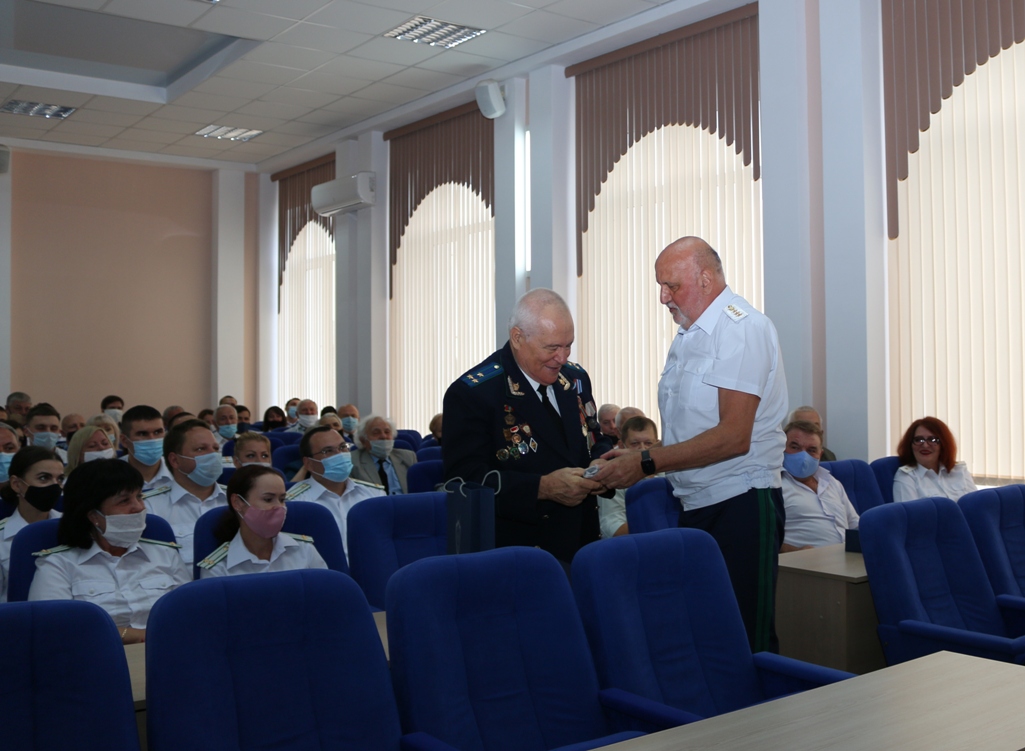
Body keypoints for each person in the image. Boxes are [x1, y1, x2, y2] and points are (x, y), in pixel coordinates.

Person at [596, 237, 788, 652]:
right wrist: (636, 455)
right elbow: (690, 429)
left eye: (671, 286)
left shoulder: (741, 329)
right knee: (706, 636)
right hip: (696, 502)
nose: (663, 297)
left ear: (705, 279)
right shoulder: (689, 335)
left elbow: (733, 437)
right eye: (660, 286)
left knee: (745, 640)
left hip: (741, 502)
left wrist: (647, 462)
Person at [443, 288, 608, 564]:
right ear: (518, 338)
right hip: (519, 553)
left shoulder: (575, 379)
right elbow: (464, 481)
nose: (562, 358)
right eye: (552, 347)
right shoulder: (475, 393)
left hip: (582, 543)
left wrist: (604, 464)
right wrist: (542, 488)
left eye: (568, 345)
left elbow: (593, 438)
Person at [28, 459, 190, 643]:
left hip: (168, 651)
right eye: (124, 501)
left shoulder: (166, 554)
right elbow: (54, 628)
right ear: (93, 515)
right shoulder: (58, 565)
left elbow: (189, 613)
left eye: (139, 497)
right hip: (96, 656)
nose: (139, 507)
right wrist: (137, 636)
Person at [198, 466, 328, 578]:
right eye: (268, 499)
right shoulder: (218, 568)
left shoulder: (304, 550)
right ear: (237, 503)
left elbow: (326, 594)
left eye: (282, 499)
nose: (279, 507)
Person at [285, 426, 384, 561]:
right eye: (328, 451)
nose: (339, 454)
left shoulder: (374, 494)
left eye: (343, 447)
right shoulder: (295, 504)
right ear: (309, 463)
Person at [146, 418, 228, 565]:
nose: (213, 455)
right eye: (201, 449)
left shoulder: (238, 500)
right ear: (175, 460)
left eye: (215, 448)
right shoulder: (150, 507)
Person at [780, 420, 858, 551]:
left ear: (820, 455)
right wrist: (796, 552)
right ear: (781, 448)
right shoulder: (775, 486)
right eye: (795, 447)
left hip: (847, 557)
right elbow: (762, 539)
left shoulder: (831, 482)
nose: (803, 456)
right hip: (804, 561)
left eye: (811, 450)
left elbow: (855, 524)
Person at [0, 444, 63, 602]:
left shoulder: (75, 527)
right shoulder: (2, 537)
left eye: (60, 479)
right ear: (17, 484)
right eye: (43, 478)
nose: (55, 486)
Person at [599, 415, 660, 539]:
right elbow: (612, 525)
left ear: (658, 444)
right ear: (621, 446)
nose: (642, 449)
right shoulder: (614, 478)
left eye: (648, 443)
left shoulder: (672, 473)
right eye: (635, 444)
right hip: (632, 544)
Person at [893, 416, 977, 503]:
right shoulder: (906, 477)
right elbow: (910, 512)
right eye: (918, 440)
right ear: (910, 444)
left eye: (932, 440)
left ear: (943, 444)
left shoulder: (959, 470)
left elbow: (976, 505)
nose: (925, 445)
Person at [350, 415, 417, 495]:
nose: (383, 436)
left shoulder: (408, 457)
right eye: (376, 433)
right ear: (363, 440)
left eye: (387, 432)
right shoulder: (353, 461)